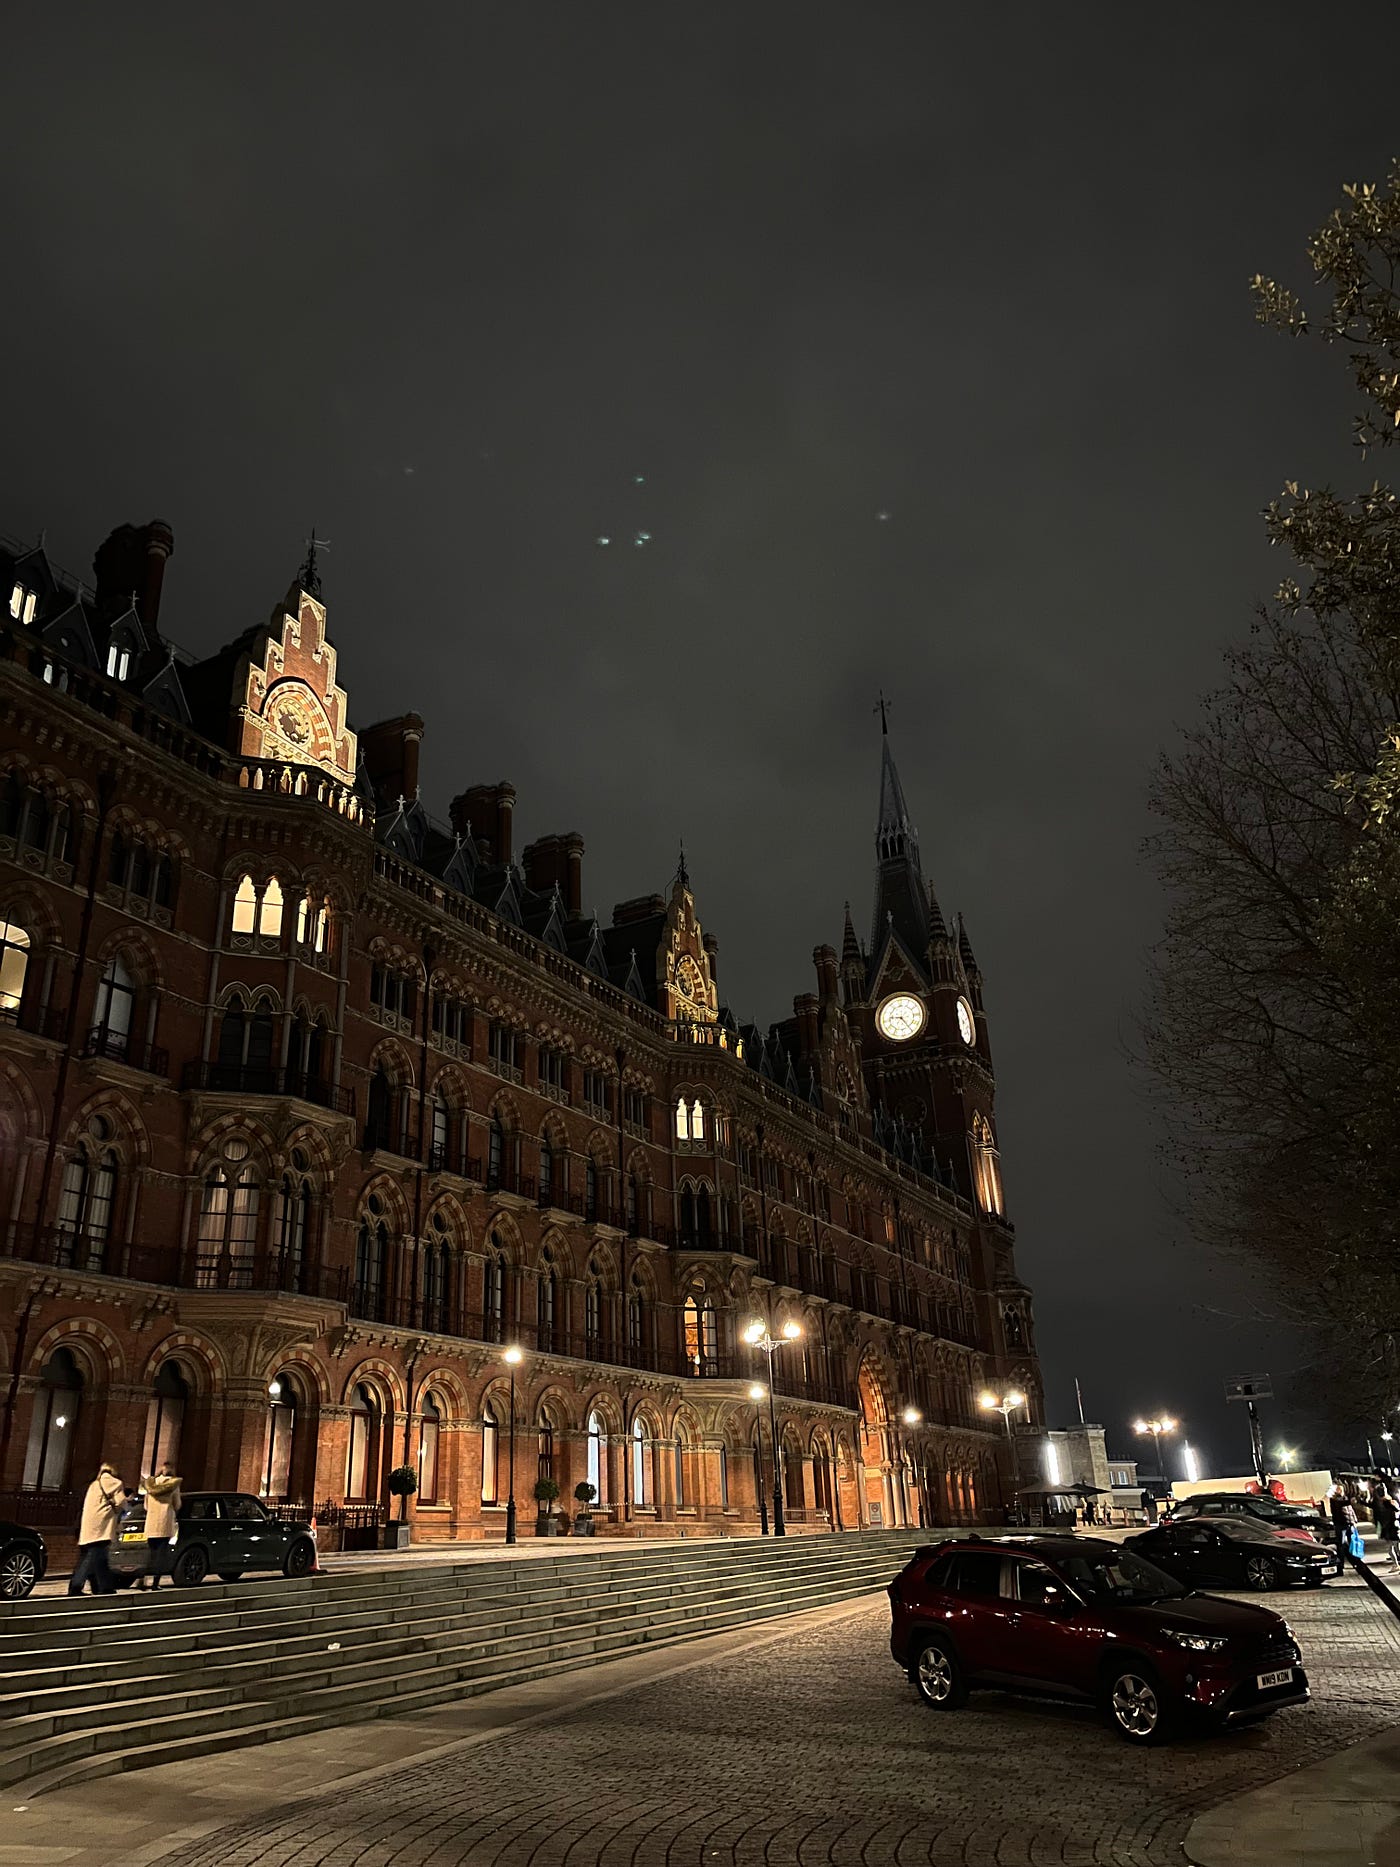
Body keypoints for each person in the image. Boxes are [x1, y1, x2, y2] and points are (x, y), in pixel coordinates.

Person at [69, 1461, 128, 1596]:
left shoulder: (94, 1485)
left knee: (94, 1557)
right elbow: (121, 1503)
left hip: (88, 1525)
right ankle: (77, 1586)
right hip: (103, 1526)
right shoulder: (116, 1483)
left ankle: (102, 1587)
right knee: (94, 1557)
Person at [138, 1460, 182, 1589]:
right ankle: (155, 1583)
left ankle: (142, 1579)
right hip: (164, 1522)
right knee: (161, 1555)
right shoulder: (173, 1485)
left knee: (151, 1554)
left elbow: (146, 1506)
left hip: (151, 1523)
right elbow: (177, 1504)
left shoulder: (150, 1485)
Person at [1328, 1484, 1358, 1568]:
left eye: (1341, 1489)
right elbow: (1340, 1505)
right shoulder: (1334, 1500)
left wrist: (1354, 1521)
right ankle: (1341, 1563)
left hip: (1350, 1524)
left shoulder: (1346, 1498)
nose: (1340, 1491)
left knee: (1352, 1543)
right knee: (1341, 1545)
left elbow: (1351, 1511)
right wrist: (1350, 1502)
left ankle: (1355, 1561)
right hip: (1340, 1525)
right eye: (1338, 1490)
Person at [1375, 1488, 1400, 1571]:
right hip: (1396, 1530)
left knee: (1392, 1549)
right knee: (1396, 1549)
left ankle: (1396, 1565)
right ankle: (1397, 1565)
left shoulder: (1388, 1511)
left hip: (1392, 1531)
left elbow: (1386, 1521)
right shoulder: (1394, 1508)